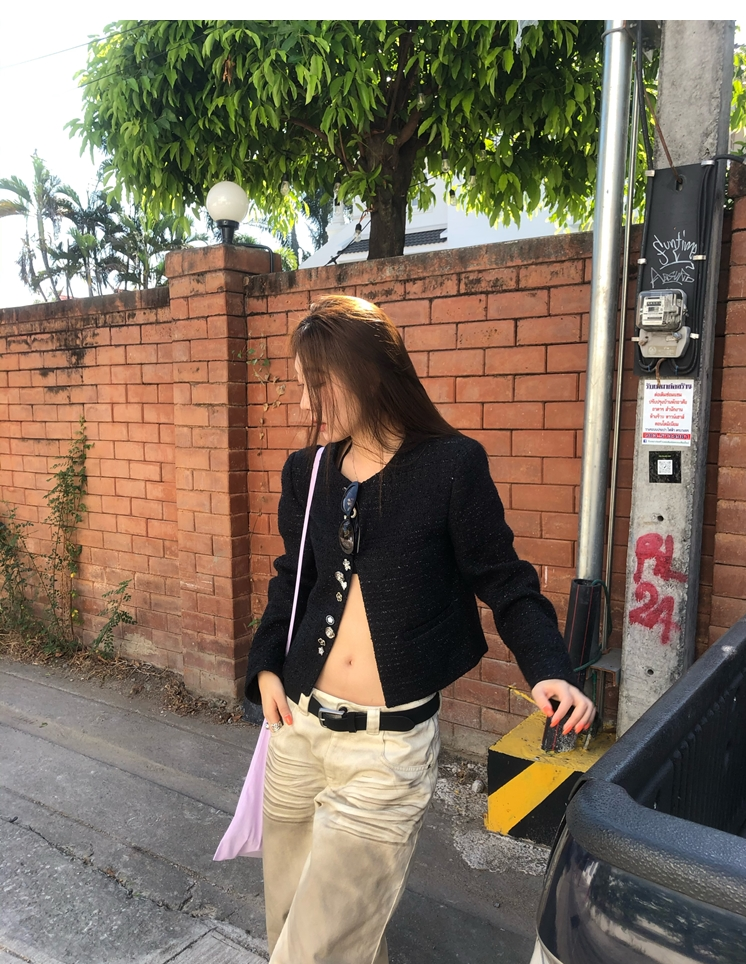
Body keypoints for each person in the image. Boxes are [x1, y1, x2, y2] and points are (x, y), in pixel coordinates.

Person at [244, 294, 595, 964]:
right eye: (301, 386)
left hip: (385, 753)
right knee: (292, 923)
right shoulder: (308, 471)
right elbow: (293, 576)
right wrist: (265, 666)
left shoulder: (450, 465)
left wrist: (550, 668)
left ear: (370, 372)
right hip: (297, 730)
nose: (306, 403)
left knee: (314, 950)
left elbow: (506, 580)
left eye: (317, 384)